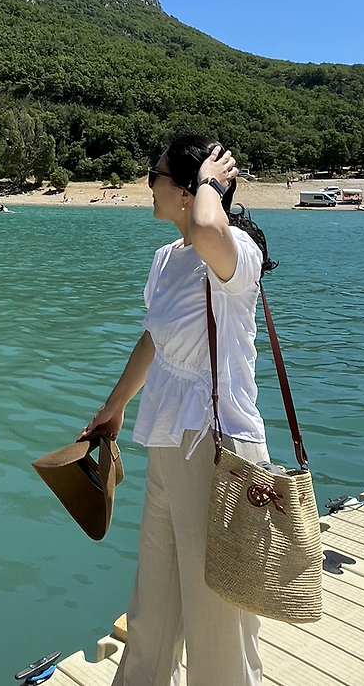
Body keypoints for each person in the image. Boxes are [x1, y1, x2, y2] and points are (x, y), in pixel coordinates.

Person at [80, 135, 276, 686]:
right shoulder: (167, 259)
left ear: (189, 190)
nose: (148, 184)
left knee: (217, 616)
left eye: (156, 175)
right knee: (153, 605)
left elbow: (210, 227)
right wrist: (115, 406)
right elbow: (154, 340)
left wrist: (213, 182)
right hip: (170, 441)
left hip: (218, 449)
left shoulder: (235, 250)